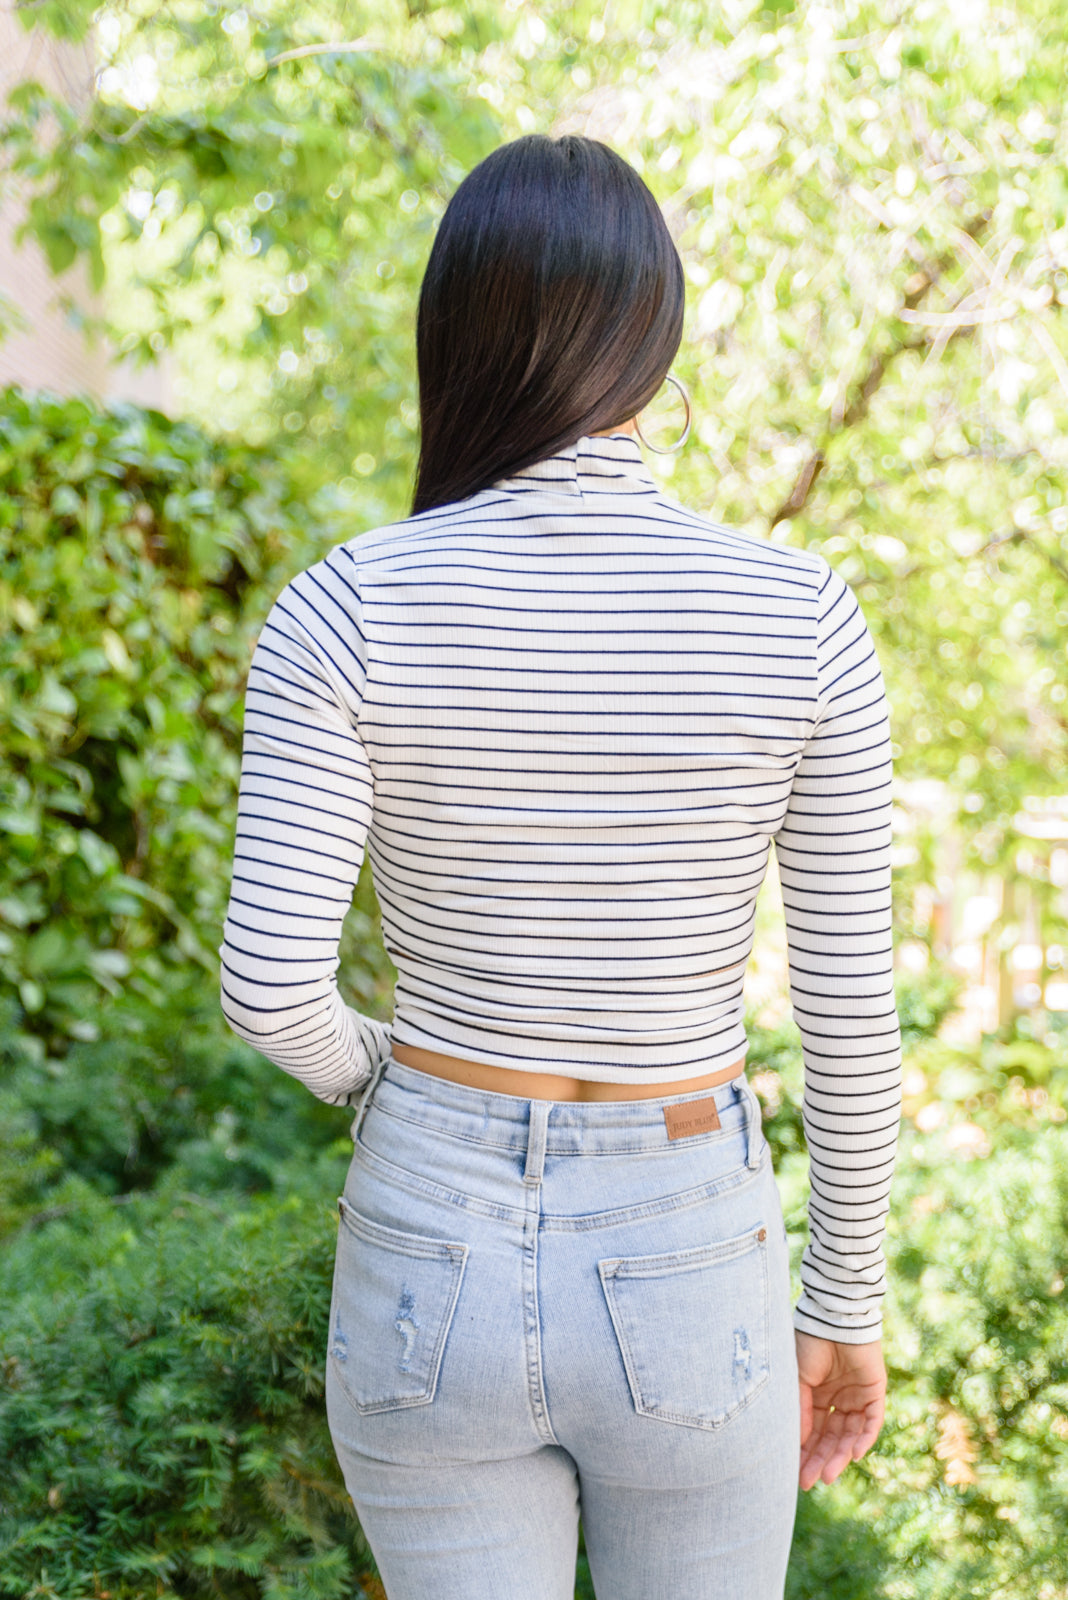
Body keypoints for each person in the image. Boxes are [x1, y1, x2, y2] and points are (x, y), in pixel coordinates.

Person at [220, 133, 902, 1600]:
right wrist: (845, 1303)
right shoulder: (802, 618)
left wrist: (393, 1089)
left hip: (429, 1220)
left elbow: (270, 989)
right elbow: (852, 1023)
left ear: (450, 337)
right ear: (653, 339)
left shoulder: (346, 606)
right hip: (687, 1226)